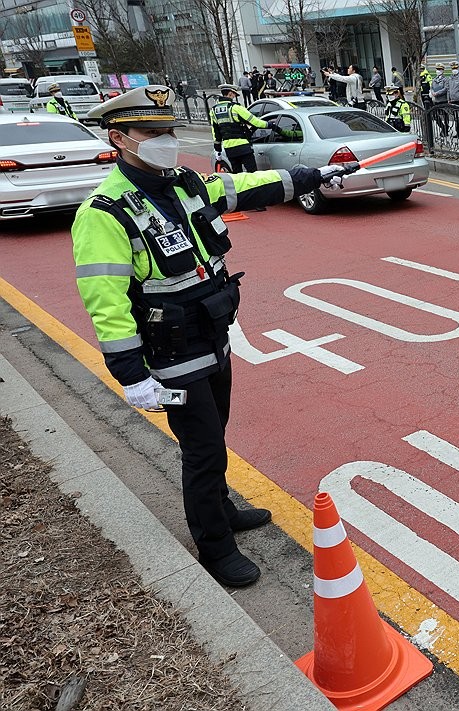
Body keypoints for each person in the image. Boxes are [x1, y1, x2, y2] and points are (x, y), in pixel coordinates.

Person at [70, 85, 357, 588]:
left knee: (216, 432)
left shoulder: (181, 183)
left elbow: (245, 187)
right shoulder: (104, 212)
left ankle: (222, 507)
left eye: (169, 130)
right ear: (119, 138)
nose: (166, 140)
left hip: (214, 334)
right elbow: (105, 301)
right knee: (201, 449)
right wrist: (130, 373)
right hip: (171, 352)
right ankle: (214, 546)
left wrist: (311, 175)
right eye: (151, 133)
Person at [210, 84, 273, 180]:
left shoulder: (213, 111)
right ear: (230, 93)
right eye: (234, 95)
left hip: (229, 149)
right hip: (243, 147)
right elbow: (255, 122)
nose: (234, 97)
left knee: (237, 177)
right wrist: (269, 125)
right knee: (253, 175)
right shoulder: (235, 108)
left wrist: (218, 150)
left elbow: (216, 133)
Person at [429, 62, 449, 136]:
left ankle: (446, 129)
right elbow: (431, 87)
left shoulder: (445, 79)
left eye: (439, 69)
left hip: (443, 100)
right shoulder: (434, 79)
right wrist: (432, 92)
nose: (438, 70)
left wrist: (437, 93)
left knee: (445, 115)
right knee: (435, 115)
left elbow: (445, 88)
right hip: (436, 101)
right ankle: (443, 128)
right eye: (437, 69)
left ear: (443, 70)